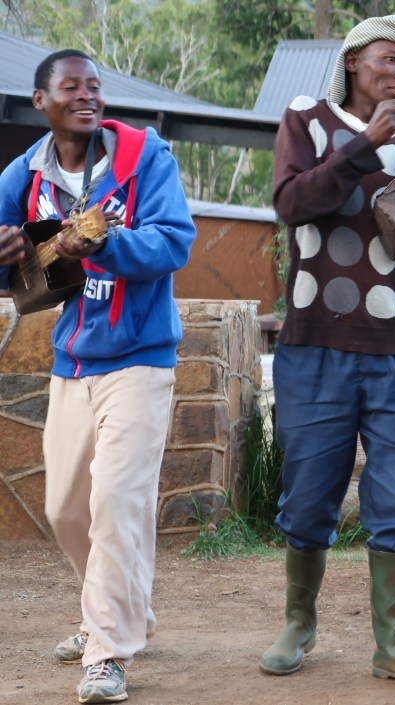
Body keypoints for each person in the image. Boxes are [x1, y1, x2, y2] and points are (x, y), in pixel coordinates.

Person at [259, 14, 395, 688]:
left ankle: (393, 641)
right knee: (310, 492)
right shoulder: (308, 118)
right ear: (352, 61)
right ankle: (298, 622)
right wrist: (364, 144)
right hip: (314, 345)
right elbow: (293, 202)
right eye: (389, 59)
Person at [0, 50, 195, 703]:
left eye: (94, 86)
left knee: (115, 499)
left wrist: (107, 243)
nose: (86, 95)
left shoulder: (146, 158)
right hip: (72, 356)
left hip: (141, 354)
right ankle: (116, 606)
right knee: (64, 507)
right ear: (41, 101)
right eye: (70, 87)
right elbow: (9, 253)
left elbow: (175, 241)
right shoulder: (25, 174)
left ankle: (106, 649)